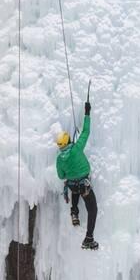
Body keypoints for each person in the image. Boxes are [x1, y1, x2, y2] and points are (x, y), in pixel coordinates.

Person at [56, 101, 98, 250]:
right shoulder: (77, 148)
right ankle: (89, 238)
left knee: (72, 185)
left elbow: (61, 176)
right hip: (84, 185)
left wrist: (69, 171)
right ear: (69, 141)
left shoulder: (60, 159)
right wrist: (87, 113)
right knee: (92, 209)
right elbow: (86, 132)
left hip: (74, 186)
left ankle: (74, 211)